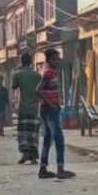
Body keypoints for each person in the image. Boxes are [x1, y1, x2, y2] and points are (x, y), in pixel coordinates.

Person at [37, 46, 74, 179]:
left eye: (58, 59)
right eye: (54, 59)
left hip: (48, 109)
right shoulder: (48, 73)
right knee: (59, 139)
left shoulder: (51, 71)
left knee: (48, 139)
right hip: (49, 110)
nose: (57, 61)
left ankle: (43, 168)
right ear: (48, 60)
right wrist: (51, 103)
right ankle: (60, 169)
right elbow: (38, 90)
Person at [11, 48, 41, 164]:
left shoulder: (18, 74)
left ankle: (25, 153)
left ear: (21, 62)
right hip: (35, 108)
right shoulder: (37, 75)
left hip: (23, 107)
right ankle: (33, 156)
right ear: (31, 62)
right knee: (33, 132)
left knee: (24, 133)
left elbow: (14, 86)